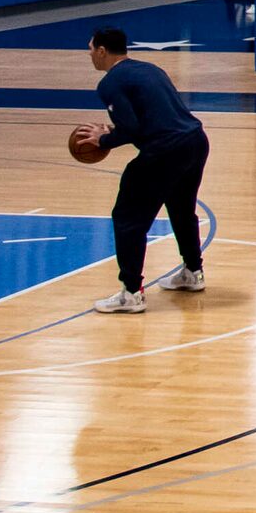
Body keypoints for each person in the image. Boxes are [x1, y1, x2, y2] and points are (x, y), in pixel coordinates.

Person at [82, 27, 209, 314]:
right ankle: (193, 272)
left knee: (127, 217)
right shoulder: (149, 69)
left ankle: (131, 293)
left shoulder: (109, 83)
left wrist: (103, 139)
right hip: (195, 141)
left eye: (90, 48)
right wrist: (112, 132)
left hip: (165, 151)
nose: (89, 54)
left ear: (102, 51)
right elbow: (151, 118)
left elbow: (132, 129)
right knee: (181, 210)